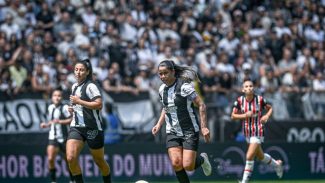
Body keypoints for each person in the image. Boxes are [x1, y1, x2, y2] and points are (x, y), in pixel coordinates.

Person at [152, 60, 212, 183]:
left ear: (173, 72)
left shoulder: (184, 86)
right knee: (176, 163)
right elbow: (166, 107)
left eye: (165, 73)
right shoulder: (161, 89)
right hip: (172, 131)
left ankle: (202, 160)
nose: (162, 76)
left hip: (189, 130)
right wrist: (159, 124)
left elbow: (201, 105)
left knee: (188, 166)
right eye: (160, 74)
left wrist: (204, 127)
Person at [67, 58, 111, 183]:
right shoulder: (74, 86)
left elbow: (99, 105)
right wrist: (73, 108)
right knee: (70, 157)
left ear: (87, 72)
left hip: (93, 127)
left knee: (99, 161)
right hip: (76, 127)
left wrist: (78, 101)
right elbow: (79, 105)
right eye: (76, 70)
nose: (78, 72)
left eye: (81, 70)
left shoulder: (91, 86)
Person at [230, 78, 284, 183]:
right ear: (243, 90)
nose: (249, 88)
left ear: (253, 88)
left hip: (258, 130)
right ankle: (277, 164)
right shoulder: (240, 101)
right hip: (247, 132)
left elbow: (270, 108)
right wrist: (245, 115)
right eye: (246, 86)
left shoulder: (259, 99)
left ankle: (244, 181)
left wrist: (267, 116)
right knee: (260, 156)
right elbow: (232, 116)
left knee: (249, 155)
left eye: (250, 86)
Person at [40, 88, 74, 183]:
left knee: (68, 160)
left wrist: (60, 121)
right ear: (52, 97)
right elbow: (52, 121)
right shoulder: (50, 107)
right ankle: (53, 181)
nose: (57, 98)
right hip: (53, 137)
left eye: (59, 96)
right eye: (55, 95)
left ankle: (72, 180)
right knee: (50, 158)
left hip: (64, 138)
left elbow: (71, 119)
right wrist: (46, 124)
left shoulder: (65, 107)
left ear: (62, 98)